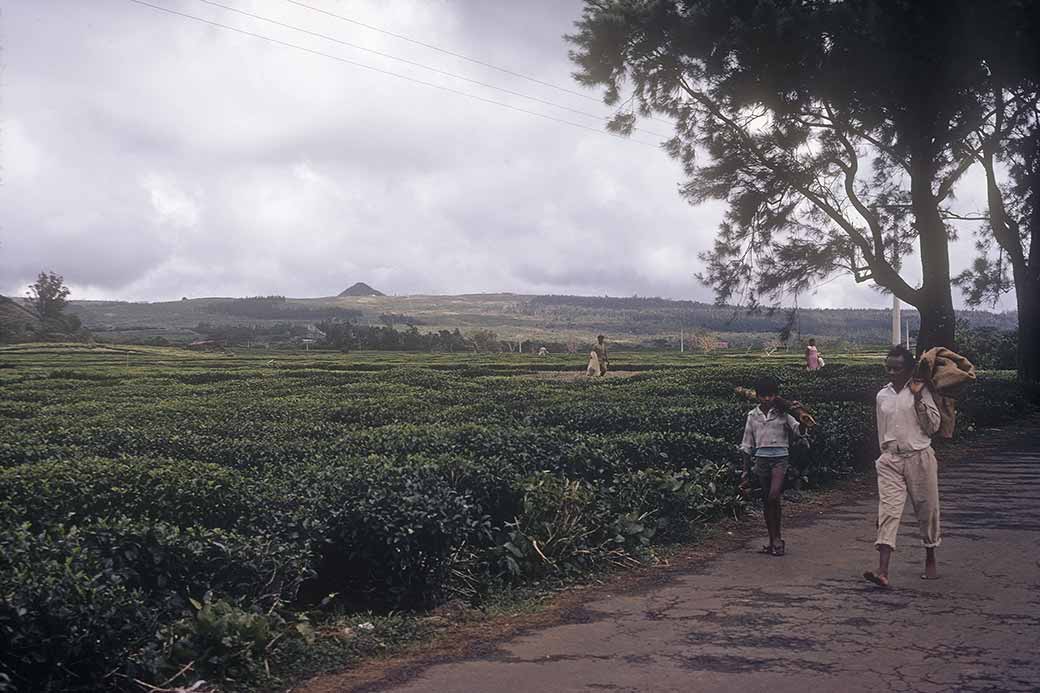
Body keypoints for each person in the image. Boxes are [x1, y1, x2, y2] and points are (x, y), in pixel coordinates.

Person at [864, 345, 942, 588]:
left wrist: (918, 397)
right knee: (888, 513)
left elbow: (933, 426)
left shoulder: (922, 391)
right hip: (890, 460)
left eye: (897, 368)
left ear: (909, 369)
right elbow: (881, 429)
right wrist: (885, 454)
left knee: (926, 510)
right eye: (888, 368)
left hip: (920, 456)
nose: (891, 372)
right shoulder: (882, 396)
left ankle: (930, 556)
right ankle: (882, 570)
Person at [740, 375, 807, 556]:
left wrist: (803, 419)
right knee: (768, 502)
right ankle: (774, 540)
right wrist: (745, 471)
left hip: (780, 459)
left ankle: (777, 539)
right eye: (764, 396)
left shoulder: (784, 414)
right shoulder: (752, 416)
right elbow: (747, 445)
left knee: (773, 496)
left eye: (771, 395)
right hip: (761, 460)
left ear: (775, 396)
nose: (767, 399)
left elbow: (798, 431)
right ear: (758, 396)